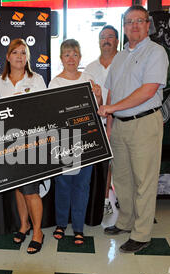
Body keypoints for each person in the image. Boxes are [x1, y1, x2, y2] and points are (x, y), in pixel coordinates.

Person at [97, 5, 168, 253]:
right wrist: (109, 124)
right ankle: (125, 221)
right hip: (119, 125)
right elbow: (111, 92)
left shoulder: (155, 52)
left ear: (148, 24)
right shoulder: (119, 56)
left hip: (144, 123)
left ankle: (141, 233)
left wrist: (112, 107)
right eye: (129, 22)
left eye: (139, 21)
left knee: (144, 181)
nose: (134, 26)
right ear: (124, 27)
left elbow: (147, 91)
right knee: (122, 179)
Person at [0, 38, 46, 254]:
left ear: (27, 58)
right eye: (15, 52)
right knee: (18, 188)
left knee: (31, 191)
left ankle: (38, 232)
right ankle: (24, 225)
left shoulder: (37, 79)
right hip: (9, 143)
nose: (20, 56)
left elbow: (44, 109)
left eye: (23, 53)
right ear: (7, 56)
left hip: (32, 142)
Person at [48, 39, 102, 245]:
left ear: (80, 57)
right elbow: (51, 113)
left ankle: (78, 227)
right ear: (61, 58)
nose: (71, 59)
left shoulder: (88, 78)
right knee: (63, 184)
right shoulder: (55, 82)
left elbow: (98, 108)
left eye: (75, 54)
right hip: (63, 140)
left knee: (82, 185)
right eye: (67, 55)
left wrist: (98, 96)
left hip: (87, 138)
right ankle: (61, 224)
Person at [84, 25, 119, 216]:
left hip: (121, 121)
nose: (106, 40)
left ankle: (120, 198)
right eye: (102, 37)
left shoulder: (124, 63)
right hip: (96, 124)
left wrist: (112, 123)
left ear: (117, 40)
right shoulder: (90, 68)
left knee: (120, 165)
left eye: (110, 36)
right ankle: (104, 199)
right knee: (103, 166)